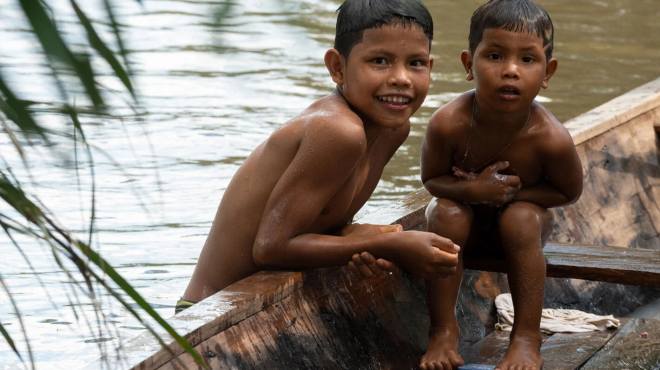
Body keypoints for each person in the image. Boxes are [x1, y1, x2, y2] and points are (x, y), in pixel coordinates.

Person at [177, 0, 460, 314]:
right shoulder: (338, 131)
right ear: (337, 68)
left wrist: (348, 238)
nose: (401, 78)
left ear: (430, 68)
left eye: (416, 63)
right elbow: (270, 248)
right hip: (207, 311)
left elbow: (318, 220)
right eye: (380, 61)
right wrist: (388, 244)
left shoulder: (392, 129)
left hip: (274, 304)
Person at [419, 0, 583, 369]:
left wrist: (511, 195)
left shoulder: (550, 138)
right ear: (468, 64)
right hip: (465, 225)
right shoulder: (448, 124)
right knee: (445, 213)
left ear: (547, 72)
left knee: (521, 218)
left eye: (527, 60)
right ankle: (443, 331)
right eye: (494, 55)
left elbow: (568, 192)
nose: (510, 71)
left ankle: (526, 336)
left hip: (523, 231)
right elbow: (432, 180)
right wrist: (474, 192)